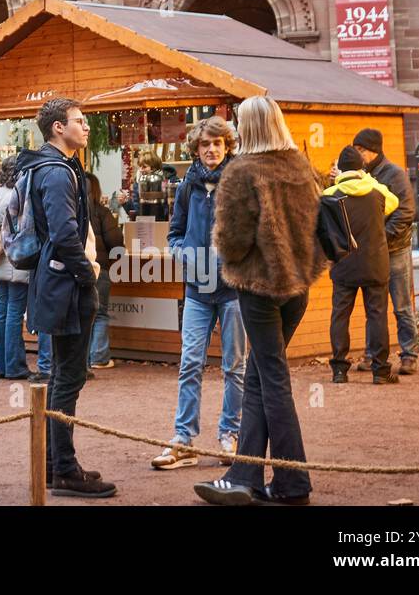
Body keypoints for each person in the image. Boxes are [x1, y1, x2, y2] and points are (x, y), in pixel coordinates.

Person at [195, 96, 323, 506]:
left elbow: (230, 244)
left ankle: (292, 483)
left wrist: (234, 259)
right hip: (297, 289)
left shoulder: (242, 172)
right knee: (259, 377)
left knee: (272, 380)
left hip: (259, 289)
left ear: (247, 127)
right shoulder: (301, 167)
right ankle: (243, 475)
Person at [19, 97, 116, 499]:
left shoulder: (49, 166)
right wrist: (86, 278)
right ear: (58, 128)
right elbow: (63, 233)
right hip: (66, 284)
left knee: (61, 375)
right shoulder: (57, 172)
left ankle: (56, 464)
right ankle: (63, 470)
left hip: (55, 281)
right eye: (79, 121)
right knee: (68, 378)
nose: (86, 127)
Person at [152, 117, 246, 471]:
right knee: (190, 363)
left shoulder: (238, 184)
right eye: (205, 145)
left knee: (234, 366)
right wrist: (181, 253)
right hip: (196, 289)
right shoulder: (186, 187)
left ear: (227, 147)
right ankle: (183, 439)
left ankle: (229, 436)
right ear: (196, 148)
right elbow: (174, 232)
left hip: (233, 289)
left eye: (217, 145)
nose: (211, 150)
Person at [327, 146, 399, 385]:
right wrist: (365, 176)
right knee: (377, 317)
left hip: (343, 265)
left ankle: (339, 370)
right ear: (362, 168)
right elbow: (394, 202)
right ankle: (380, 370)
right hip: (374, 264)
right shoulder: (377, 192)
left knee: (340, 316)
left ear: (341, 170)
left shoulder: (329, 195)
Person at [352, 128, 418, 376]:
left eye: (360, 150)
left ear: (373, 151)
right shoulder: (362, 175)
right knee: (375, 307)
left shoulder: (394, 174)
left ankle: (409, 355)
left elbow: (406, 212)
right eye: (355, 150)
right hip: (374, 251)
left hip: (395, 249)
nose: (357, 154)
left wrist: (382, 236)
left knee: (401, 305)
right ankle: (373, 355)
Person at [0, 156, 31, 379]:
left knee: (2, 311)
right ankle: (15, 366)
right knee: (15, 311)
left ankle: (2, 365)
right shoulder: (16, 195)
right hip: (15, 258)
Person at [84, 172, 124, 372]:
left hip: (78, 270)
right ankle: (99, 356)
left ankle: (82, 359)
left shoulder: (70, 211)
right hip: (100, 269)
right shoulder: (102, 212)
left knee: (82, 315)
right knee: (100, 314)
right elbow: (116, 242)